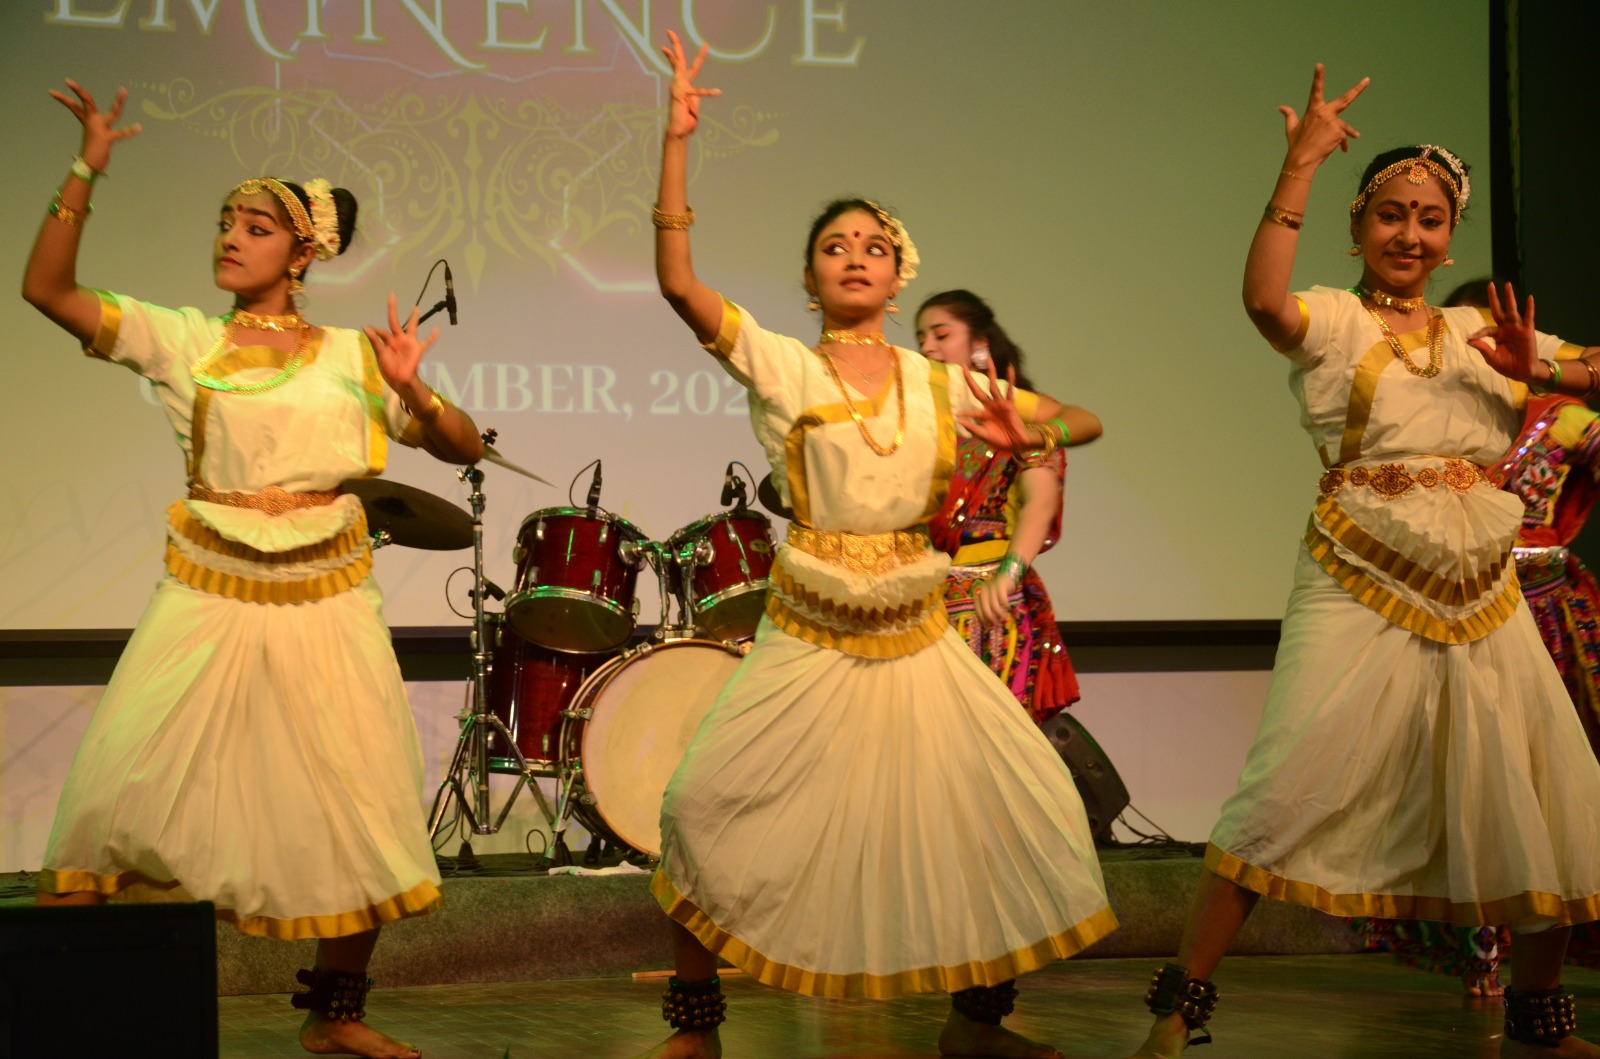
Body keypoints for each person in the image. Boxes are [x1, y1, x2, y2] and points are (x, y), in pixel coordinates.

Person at [642, 34, 1110, 1059]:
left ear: (898, 280)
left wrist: (1026, 434)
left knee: (997, 803)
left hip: (914, 626)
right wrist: (677, 142)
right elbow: (679, 283)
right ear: (811, 279)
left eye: (874, 246)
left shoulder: (943, 383)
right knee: (701, 802)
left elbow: (1083, 419)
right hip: (810, 624)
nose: (855, 255)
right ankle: (696, 1027)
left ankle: (977, 1024)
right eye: (835, 246)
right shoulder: (781, 364)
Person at [1123, 65, 1600, 1059]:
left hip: (1478, 586)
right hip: (1358, 572)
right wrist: (1296, 166)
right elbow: (1263, 301)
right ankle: (1179, 1005)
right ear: (1357, 226)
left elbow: (1586, 369)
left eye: (1429, 219)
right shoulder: (1336, 319)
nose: (1409, 234)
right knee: (1285, 783)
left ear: (1450, 237)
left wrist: (1542, 368)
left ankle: (1536, 1020)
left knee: (1546, 787)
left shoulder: (1477, 332)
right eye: (1390, 214)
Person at [23, 79, 484, 1059]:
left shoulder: (356, 355)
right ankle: (59, 1012)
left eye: (257, 227)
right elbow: (48, 292)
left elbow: (466, 447)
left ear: (303, 253)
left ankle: (334, 1014)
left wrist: (417, 394)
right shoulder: (184, 339)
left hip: (325, 597)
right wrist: (84, 169)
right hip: (208, 589)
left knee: (359, 803)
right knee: (117, 791)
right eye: (226, 223)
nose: (231, 238)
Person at [1363, 278, 1600, 995]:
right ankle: (1480, 949)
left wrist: (1553, 373)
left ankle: (1539, 957)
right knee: (1462, 770)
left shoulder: (1565, 417)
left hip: (1548, 611)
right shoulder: (1435, 416)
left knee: (1546, 779)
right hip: (1451, 600)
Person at [917, 290, 1082, 725]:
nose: (927, 347)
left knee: (986, 740)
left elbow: (1040, 501)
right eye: (921, 338)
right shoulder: (925, 425)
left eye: (941, 335)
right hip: (921, 605)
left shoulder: (1019, 419)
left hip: (987, 602)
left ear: (979, 344)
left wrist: (1008, 575)